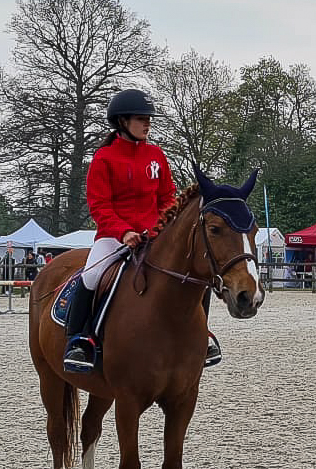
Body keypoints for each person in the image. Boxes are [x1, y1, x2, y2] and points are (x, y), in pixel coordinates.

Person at [63, 89, 222, 374]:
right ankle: (80, 340)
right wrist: (123, 232)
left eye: (148, 119)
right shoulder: (104, 159)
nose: (147, 124)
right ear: (122, 122)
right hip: (114, 237)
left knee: (197, 273)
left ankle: (203, 335)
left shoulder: (156, 155)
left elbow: (166, 198)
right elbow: (99, 205)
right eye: (141, 119)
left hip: (154, 236)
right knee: (91, 275)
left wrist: (160, 228)